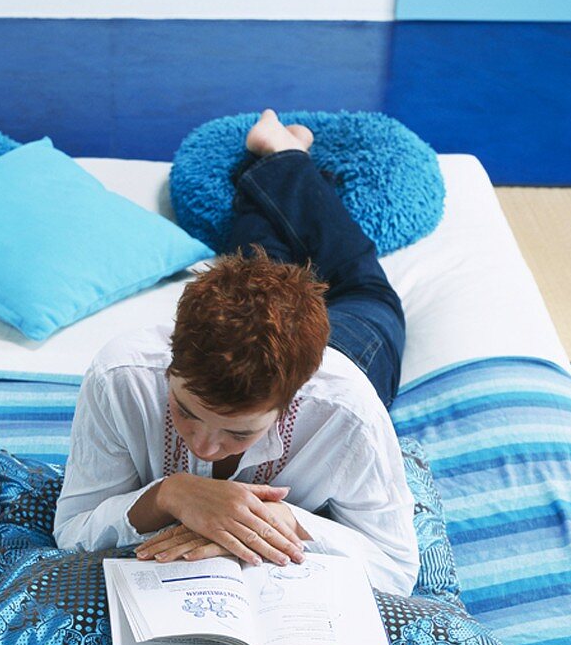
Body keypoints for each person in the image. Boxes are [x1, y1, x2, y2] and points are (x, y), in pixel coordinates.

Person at [53, 109, 419, 597]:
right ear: (172, 358)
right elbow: (71, 530)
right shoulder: (122, 377)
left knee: (360, 280)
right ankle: (275, 162)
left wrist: (275, 522)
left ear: (291, 402)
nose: (203, 447)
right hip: (263, 328)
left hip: (347, 342)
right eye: (185, 411)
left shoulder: (346, 411)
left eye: (239, 431)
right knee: (253, 264)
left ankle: (289, 157)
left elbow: (396, 567)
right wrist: (169, 494)